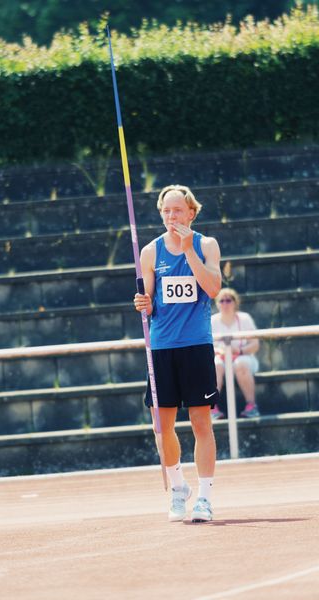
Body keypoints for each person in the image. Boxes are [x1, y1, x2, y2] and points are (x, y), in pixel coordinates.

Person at [134, 184, 221, 523]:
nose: (172, 217)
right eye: (166, 211)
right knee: (162, 425)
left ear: (191, 213)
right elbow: (150, 303)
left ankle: (205, 497)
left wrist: (188, 252)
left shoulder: (206, 245)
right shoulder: (150, 252)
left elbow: (213, 288)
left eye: (178, 211)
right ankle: (178, 487)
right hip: (162, 346)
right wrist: (143, 303)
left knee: (201, 422)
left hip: (196, 344)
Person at [211, 287, 260, 419]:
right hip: (220, 359)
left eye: (229, 300)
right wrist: (221, 352)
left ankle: (252, 406)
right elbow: (207, 346)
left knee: (241, 363)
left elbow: (255, 344)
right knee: (215, 365)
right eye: (222, 300)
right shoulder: (212, 321)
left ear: (235, 302)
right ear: (217, 303)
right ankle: (212, 408)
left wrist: (239, 351)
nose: (225, 303)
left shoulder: (245, 318)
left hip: (244, 357)